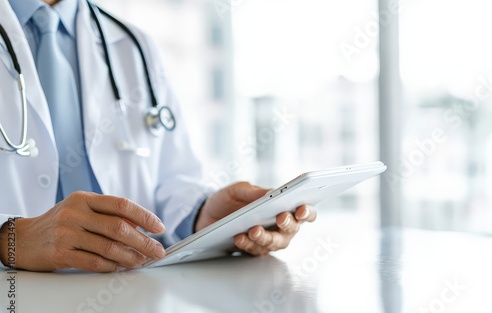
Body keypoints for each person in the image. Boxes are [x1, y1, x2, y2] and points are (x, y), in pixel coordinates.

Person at [0, 0, 316, 272]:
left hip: (127, 302)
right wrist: (10, 238)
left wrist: (204, 218)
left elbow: (171, 177)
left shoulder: (133, 45)